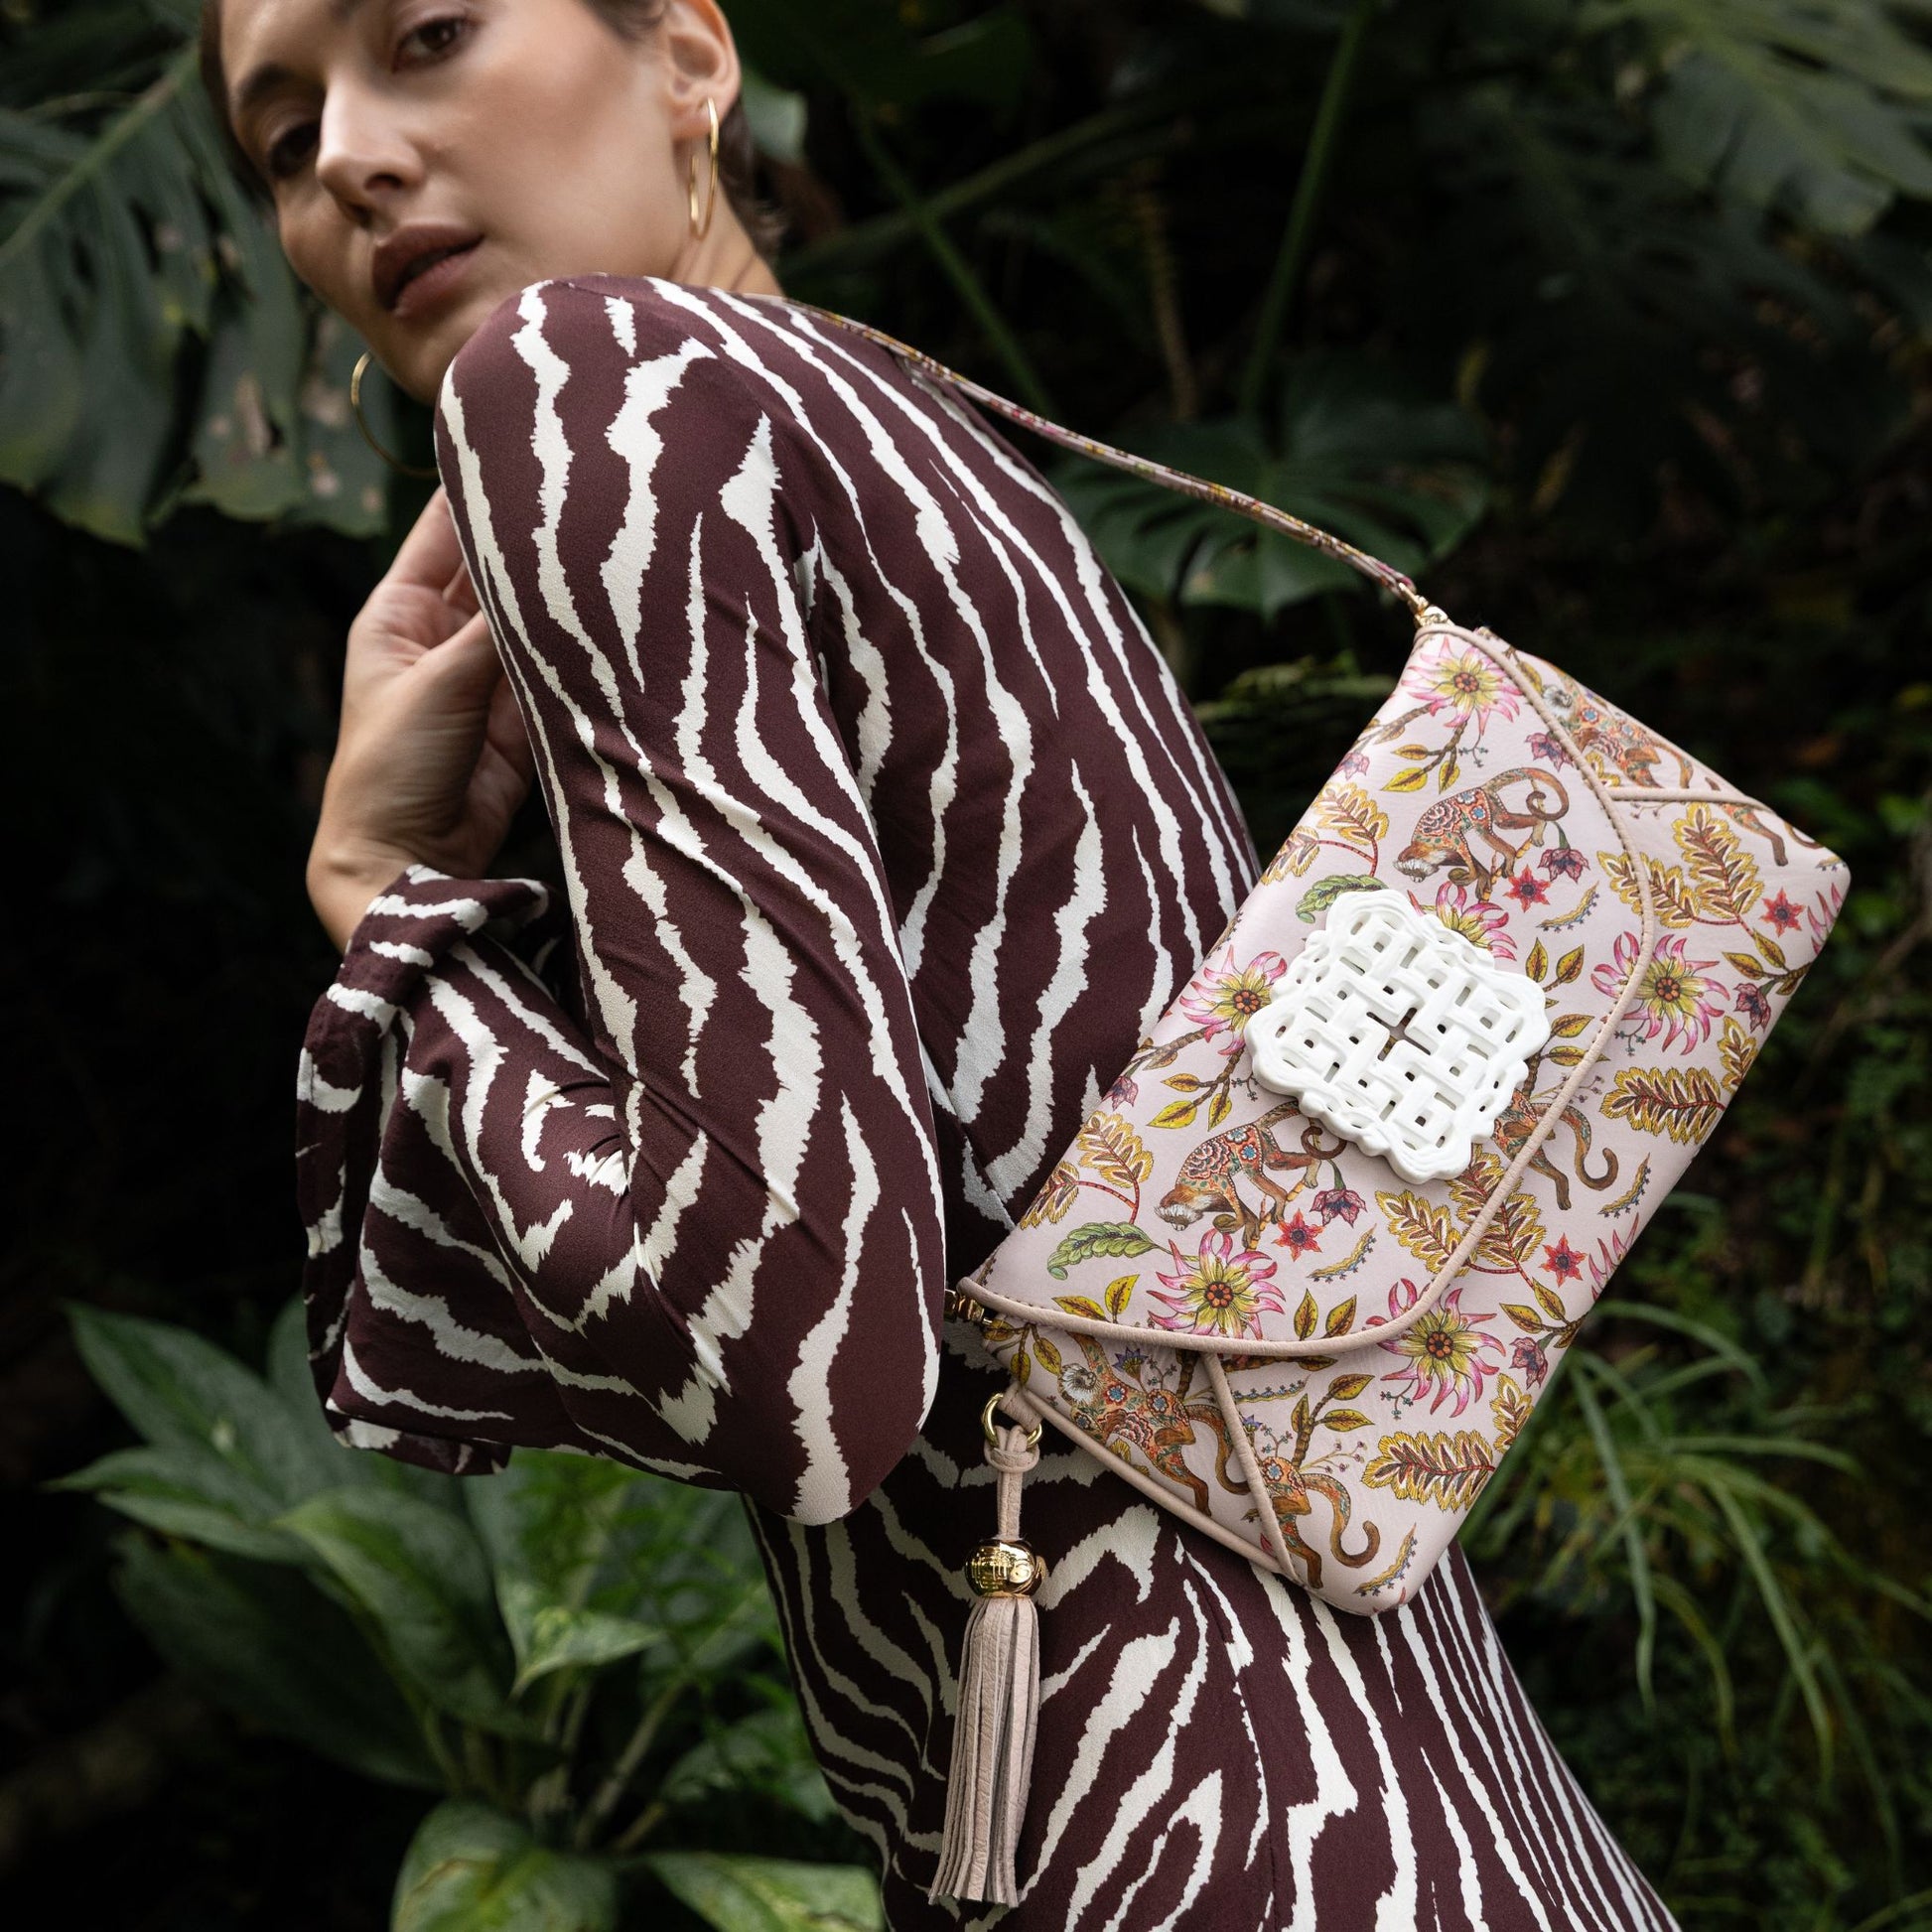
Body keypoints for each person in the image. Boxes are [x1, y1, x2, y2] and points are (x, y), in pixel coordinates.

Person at [204, 0, 1682, 1923]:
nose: (345, 157)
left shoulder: (584, 379)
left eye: (425, 33)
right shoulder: (933, 442)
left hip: (1179, 1834)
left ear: (690, 58)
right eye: (279, 141)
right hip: (1453, 1820)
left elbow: (790, 1353)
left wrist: (385, 901)